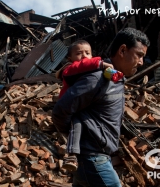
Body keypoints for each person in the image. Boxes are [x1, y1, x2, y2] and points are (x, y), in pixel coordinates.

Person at [52, 27, 150, 187]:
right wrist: (72, 132)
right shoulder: (97, 78)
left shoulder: (115, 78)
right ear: (123, 50)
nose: (141, 62)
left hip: (95, 156)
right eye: (139, 55)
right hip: (92, 157)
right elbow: (60, 111)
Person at [55, 40, 115, 171]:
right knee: (76, 125)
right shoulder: (70, 68)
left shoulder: (90, 70)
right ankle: (71, 155)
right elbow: (82, 66)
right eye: (78, 53)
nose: (84, 56)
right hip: (72, 106)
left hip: (85, 106)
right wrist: (100, 63)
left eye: (87, 53)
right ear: (70, 58)